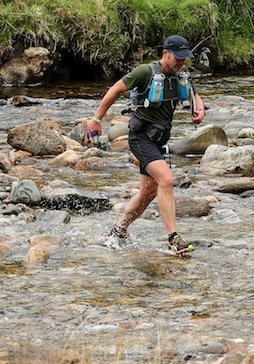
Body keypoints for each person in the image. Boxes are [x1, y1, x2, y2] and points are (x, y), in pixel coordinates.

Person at [88, 35, 206, 254]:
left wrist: (199, 109)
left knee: (148, 193)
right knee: (166, 180)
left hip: (160, 139)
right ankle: (173, 238)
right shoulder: (145, 72)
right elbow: (115, 89)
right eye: (178, 57)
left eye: (184, 58)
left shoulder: (182, 75)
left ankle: (118, 230)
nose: (181, 62)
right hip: (141, 138)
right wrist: (96, 119)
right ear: (166, 54)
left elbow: (195, 94)